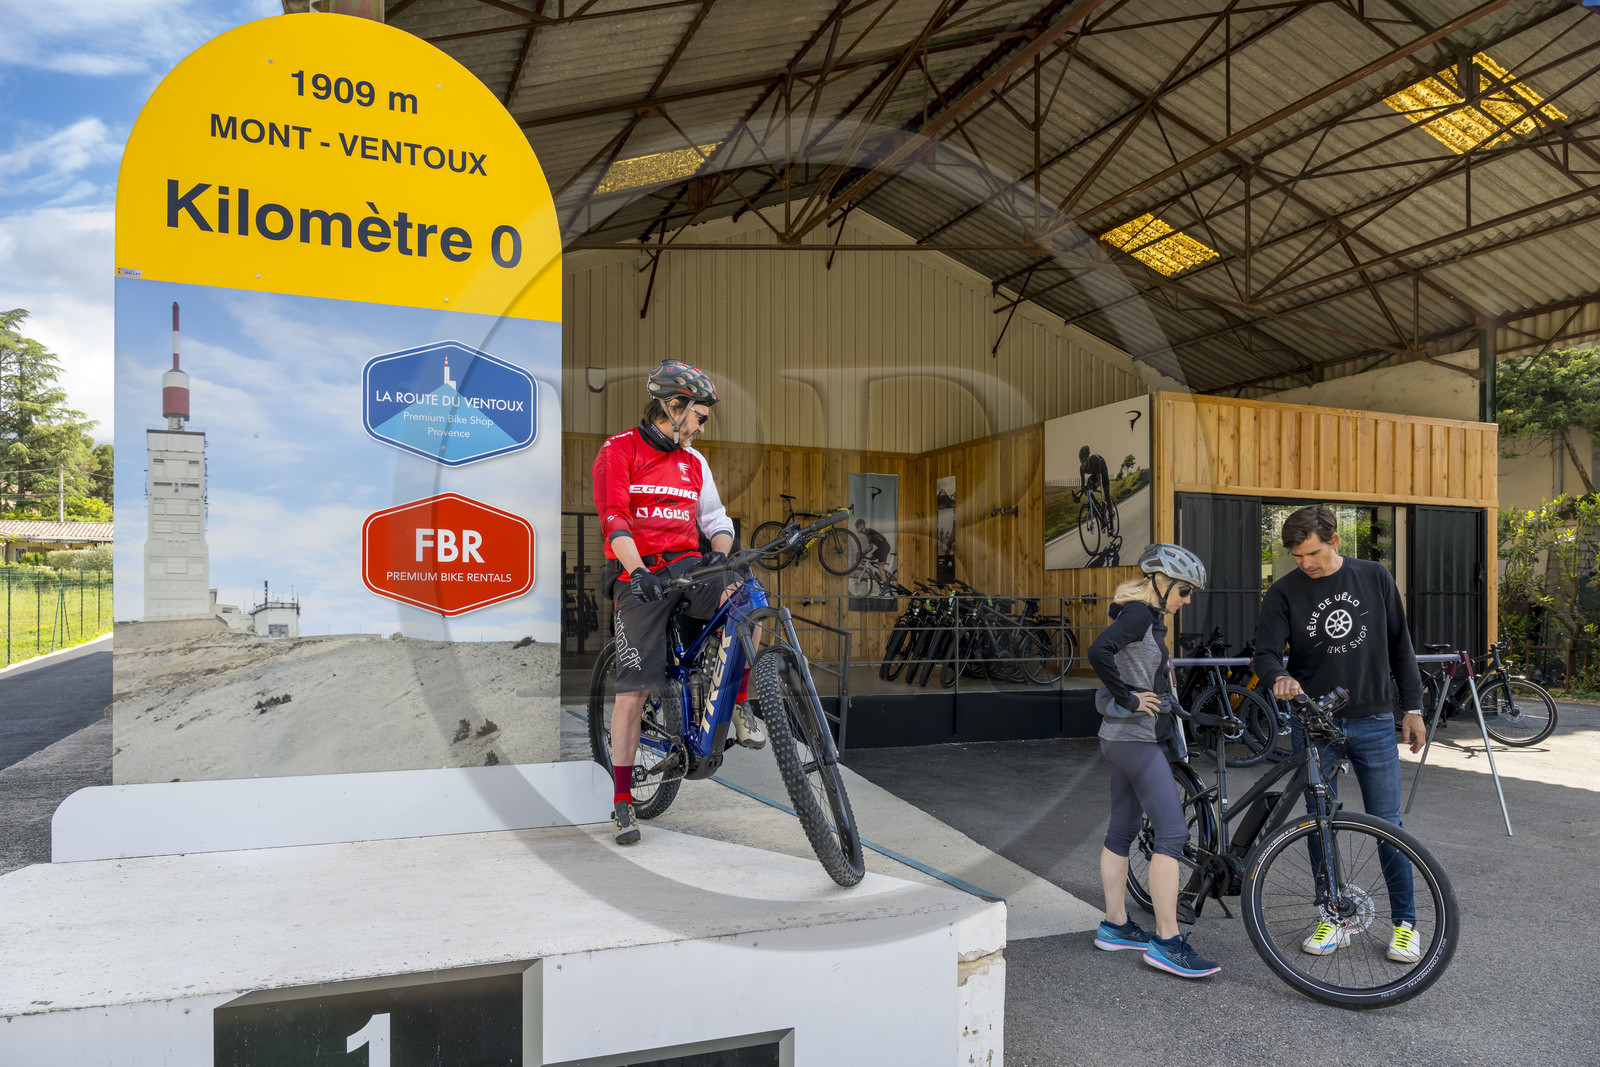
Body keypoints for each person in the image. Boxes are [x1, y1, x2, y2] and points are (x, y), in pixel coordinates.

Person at [592, 360, 764, 846]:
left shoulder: (694, 463)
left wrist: (719, 558)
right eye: (700, 417)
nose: (703, 427)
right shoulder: (619, 450)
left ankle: (744, 702)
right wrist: (638, 571)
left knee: (748, 595)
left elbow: (716, 520)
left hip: (690, 565)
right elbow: (615, 520)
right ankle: (623, 801)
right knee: (632, 693)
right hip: (639, 572)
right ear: (673, 407)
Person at [1252, 504, 1427, 963]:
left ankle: (1405, 924)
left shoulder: (1374, 576)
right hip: (1314, 723)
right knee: (1319, 821)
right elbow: (1265, 653)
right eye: (1295, 556)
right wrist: (1277, 678)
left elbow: (1399, 646)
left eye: (1310, 553)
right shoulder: (1284, 592)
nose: (1304, 563)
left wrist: (1413, 708)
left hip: (1372, 719)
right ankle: (1335, 915)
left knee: (1388, 825)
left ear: (1333, 540)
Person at [1088, 542, 1220, 979]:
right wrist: (1127, 696)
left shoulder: (1142, 616)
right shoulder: (1139, 615)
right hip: (1135, 739)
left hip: (1120, 738)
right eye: (1184, 590)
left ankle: (1116, 925)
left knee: (1122, 830)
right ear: (1160, 583)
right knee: (1172, 833)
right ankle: (1166, 941)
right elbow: (1098, 652)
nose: (1186, 600)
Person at [854, 519, 893, 585]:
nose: (857, 529)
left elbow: (870, 547)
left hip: (884, 548)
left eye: (858, 527)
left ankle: (886, 586)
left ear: (862, 526)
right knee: (870, 560)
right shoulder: (868, 532)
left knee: (880, 566)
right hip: (882, 547)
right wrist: (863, 554)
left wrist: (862, 553)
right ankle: (884, 573)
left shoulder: (869, 532)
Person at [1079, 445, 1112, 517]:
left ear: (1088, 458)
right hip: (1095, 473)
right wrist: (1079, 497)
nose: (1082, 464)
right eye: (1081, 461)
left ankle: (1111, 516)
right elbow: (1082, 486)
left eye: (1084, 460)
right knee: (1087, 489)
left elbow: (1099, 480)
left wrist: (1093, 487)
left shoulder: (1095, 460)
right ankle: (1098, 507)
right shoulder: (1081, 469)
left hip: (1102, 471)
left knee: (1106, 494)